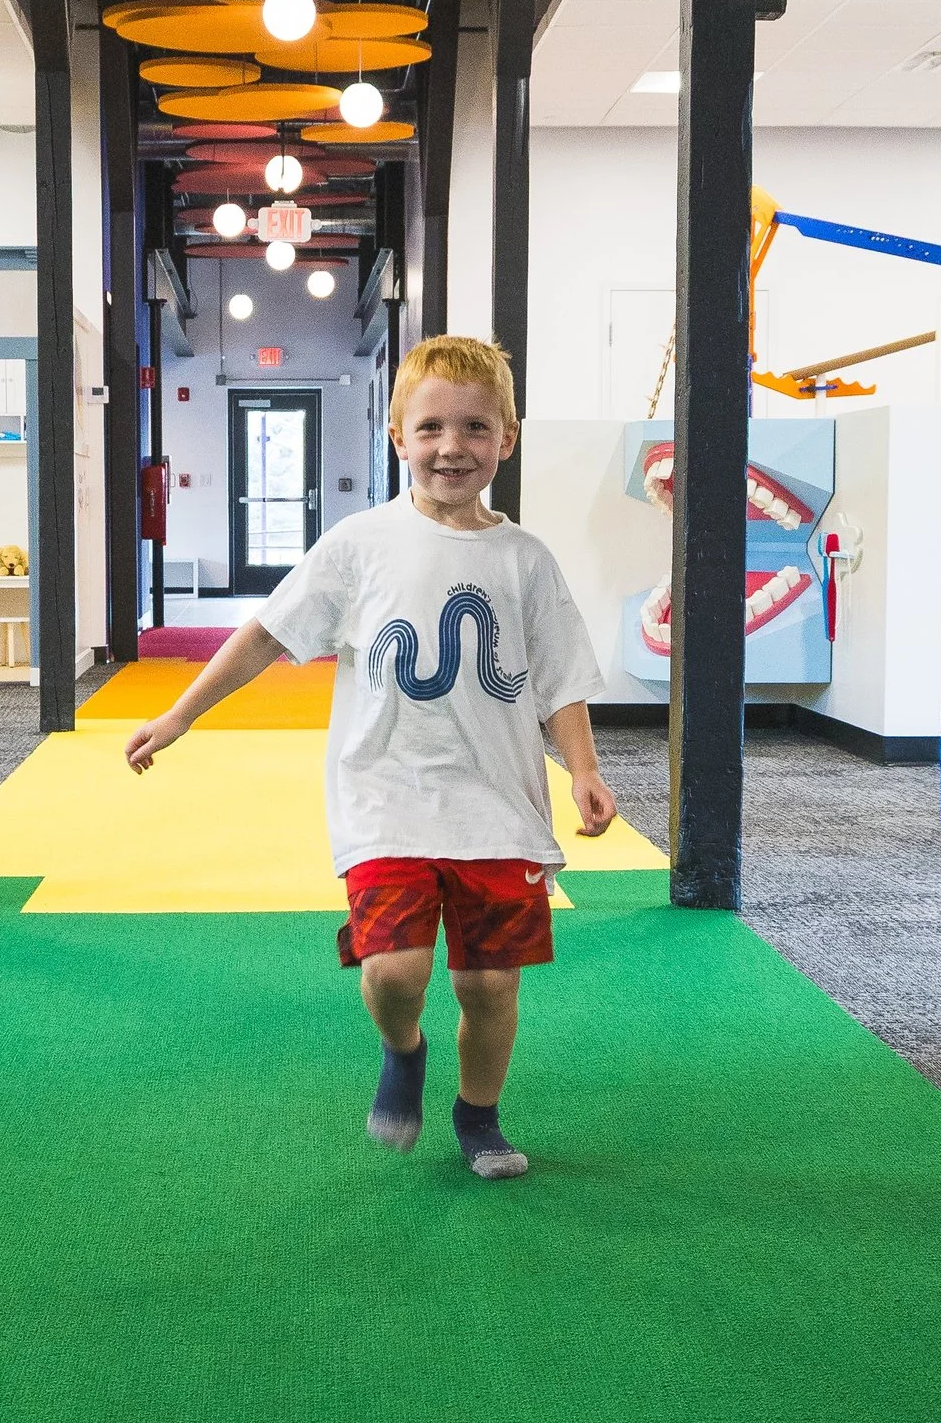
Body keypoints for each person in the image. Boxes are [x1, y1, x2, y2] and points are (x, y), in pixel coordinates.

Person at [125, 334, 616, 1179]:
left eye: (473, 427)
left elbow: (561, 676)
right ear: (398, 437)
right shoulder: (359, 545)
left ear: (509, 436)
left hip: (497, 802)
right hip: (383, 792)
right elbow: (265, 637)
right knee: (395, 969)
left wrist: (586, 770)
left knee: (490, 985)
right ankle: (404, 1049)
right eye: (429, 429)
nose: (450, 447)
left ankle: (479, 1114)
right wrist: (178, 717)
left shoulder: (525, 560)